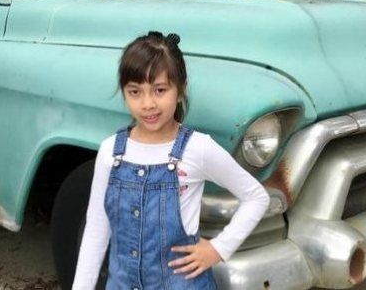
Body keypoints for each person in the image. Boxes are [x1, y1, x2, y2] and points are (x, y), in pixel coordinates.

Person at [71, 31, 270, 290]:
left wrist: (218, 248)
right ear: (124, 93)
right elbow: (97, 229)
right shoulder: (111, 152)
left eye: (160, 90)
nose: (148, 104)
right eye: (135, 92)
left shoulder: (197, 148)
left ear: (179, 90)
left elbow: (257, 197)